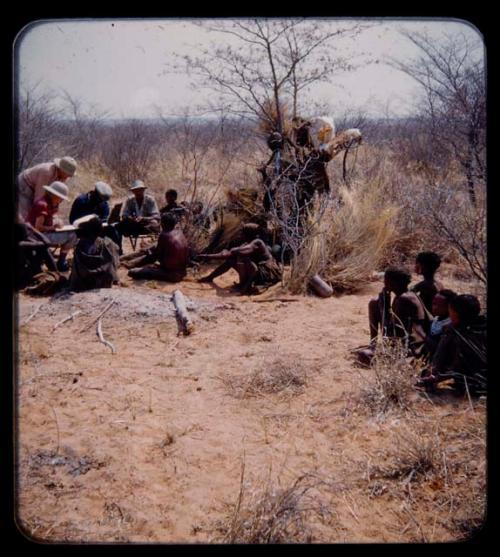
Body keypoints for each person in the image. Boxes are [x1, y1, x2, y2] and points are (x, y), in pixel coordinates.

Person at [357, 266, 429, 365]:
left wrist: (384, 306)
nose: (384, 283)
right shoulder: (405, 295)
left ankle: (376, 349)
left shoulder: (403, 299)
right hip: (404, 342)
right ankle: (373, 344)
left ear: (392, 282)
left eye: (386, 280)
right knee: (374, 303)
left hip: (410, 349)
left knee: (363, 355)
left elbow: (391, 333)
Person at [418, 294, 487, 395]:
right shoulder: (480, 326)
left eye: (451, 312)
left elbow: (456, 366)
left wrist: (436, 376)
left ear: (456, 314)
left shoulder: (459, 334)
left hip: (471, 385)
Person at [197, 223, 282, 294]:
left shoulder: (258, 242)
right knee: (231, 260)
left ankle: (244, 286)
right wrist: (207, 256)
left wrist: (233, 250)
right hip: (259, 271)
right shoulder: (247, 243)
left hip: (268, 273)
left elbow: (241, 251)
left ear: (248, 233)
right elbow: (229, 255)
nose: (240, 234)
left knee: (243, 258)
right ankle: (210, 277)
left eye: (242, 233)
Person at [26, 181, 76, 272]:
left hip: (42, 233)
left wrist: (57, 221)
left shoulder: (51, 203)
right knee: (72, 235)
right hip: (35, 236)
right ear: (54, 195)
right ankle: (61, 262)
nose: (62, 200)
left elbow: (50, 217)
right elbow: (38, 228)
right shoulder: (43, 205)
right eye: (61, 198)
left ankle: (61, 261)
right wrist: (53, 228)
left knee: (71, 232)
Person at [126, 212, 189, 282]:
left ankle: (129, 264)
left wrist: (140, 263)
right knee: (151, 252)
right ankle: (130, 262)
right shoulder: (179, 232)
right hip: (183, 272)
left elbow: (155, 257)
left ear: (163, 223)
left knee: (132, 272)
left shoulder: (164, 235)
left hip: (171, 274)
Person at [17, 156, 77, 221]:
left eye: (70, 175)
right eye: (67, 174)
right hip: (24, 187)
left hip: (34, 188)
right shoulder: (46, 173)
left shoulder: (62, 176)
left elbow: (56, 198)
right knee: (26, 217)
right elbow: (39, 199)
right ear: (61, 169)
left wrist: (53, 215)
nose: (68, 177)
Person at [69, 215, 120, 291]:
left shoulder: (80, 245)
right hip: (102, 282)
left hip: (83, 282)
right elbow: (117, 251)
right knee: (113, 250)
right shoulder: (106, 243)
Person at [15, 222, 57, 290]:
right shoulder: (21, 244)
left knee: (42, 249)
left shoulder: (21, 241)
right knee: (44, 249)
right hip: (23, 276)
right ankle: (55, 272)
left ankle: (55, 272)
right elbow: (47, 242)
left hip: (23, 270)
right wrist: (33, 229)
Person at [422, 289, 457, 360]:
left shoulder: (449, 325)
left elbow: (440, 348)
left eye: (439, 306)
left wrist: (422, 335)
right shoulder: (435, 319)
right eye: (434, 304)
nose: (434, 308)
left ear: (449, 307)